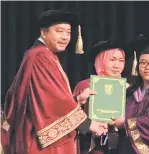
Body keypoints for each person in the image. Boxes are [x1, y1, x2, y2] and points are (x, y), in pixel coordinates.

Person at [1, 10, 108, 154]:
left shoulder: (40, 54)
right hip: (39, 140)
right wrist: (87, 124)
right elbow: (55, 102)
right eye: (59, 31)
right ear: (44, 33)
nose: (65, 37)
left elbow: (42, 99)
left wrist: (77, 99)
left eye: (68, 32)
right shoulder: (41, 57)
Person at [73, 40, 131, 154]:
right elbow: (71, 118)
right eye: (112, 60)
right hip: (90, 145)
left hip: (121, 146)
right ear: (101, 61)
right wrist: (89, 126)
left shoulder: (129, 89)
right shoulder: (86, 86)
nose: (117, 65)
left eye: (121, 61)